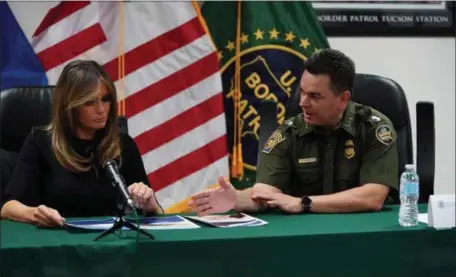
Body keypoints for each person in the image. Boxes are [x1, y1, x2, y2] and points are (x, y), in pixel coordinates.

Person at [189, 49, 398, 216]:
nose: (302, 103)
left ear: (343, 99)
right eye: (303, 92)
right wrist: (235, 199)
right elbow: (264, 193)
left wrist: (304, 203)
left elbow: (373, 196)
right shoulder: (290, 133)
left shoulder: (374, 128)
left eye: (315, 96)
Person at [0, 60, 163, 227]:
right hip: (58, 241)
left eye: (105, 99)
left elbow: (150, 211)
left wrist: (152, 206)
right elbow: (7, 207)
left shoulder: (123, 146)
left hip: (114, 244)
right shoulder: (39, 142)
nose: (101, 109)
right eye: (90, 102)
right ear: (70, 106)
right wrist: (35, 214)